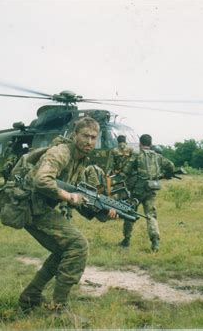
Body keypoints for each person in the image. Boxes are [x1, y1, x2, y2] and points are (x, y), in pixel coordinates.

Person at [18, 117, 117, 313]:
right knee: (78, 245)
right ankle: (58, 308)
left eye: (93, 137)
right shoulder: (61, 152)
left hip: (39, 207)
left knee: (64, 251)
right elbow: (42, 181)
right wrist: (68, 196)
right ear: (74, 135)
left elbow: (81, 197)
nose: (89, 141)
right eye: (85, 136)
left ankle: (29, 297)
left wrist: (104, 212)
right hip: (29, 206)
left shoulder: (80, 160)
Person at [119, 134, 175, 252]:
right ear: (151, 144)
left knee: (129, 212)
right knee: (151, 215)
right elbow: (171, 166)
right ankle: (155, 242)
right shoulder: (157, 156)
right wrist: (165, 175)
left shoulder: (137, 154)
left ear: (140, 143)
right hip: (151, 190)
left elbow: (126, 170)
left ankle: (126, 240)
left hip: (137, 191)